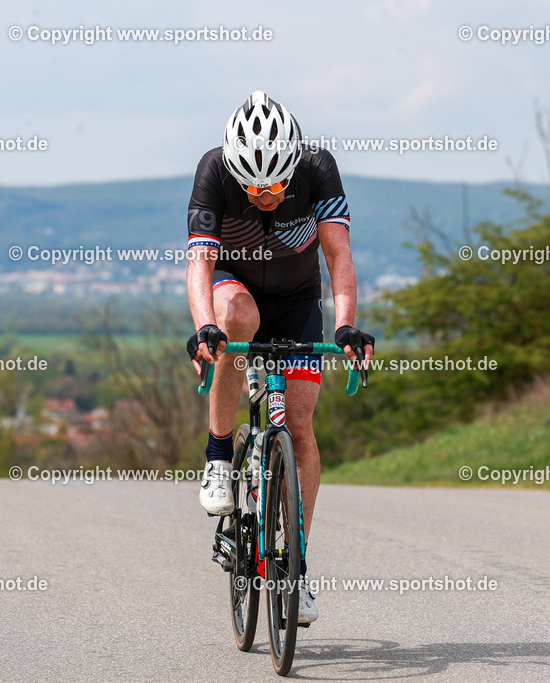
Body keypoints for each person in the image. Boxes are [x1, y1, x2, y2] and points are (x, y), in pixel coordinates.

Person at [185, 91, 375, 624]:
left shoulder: (318, 169)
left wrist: (345, 326)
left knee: (299, 422)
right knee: (237, 319)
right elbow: (199, 262)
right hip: (234, 285)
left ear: (292, 167)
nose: (263, 195)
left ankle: (297, 568)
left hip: (296, 300)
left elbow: (338, 253)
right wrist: (205, 326)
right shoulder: (213, 171)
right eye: (252, 186)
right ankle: (220, 457)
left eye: (273, 185)